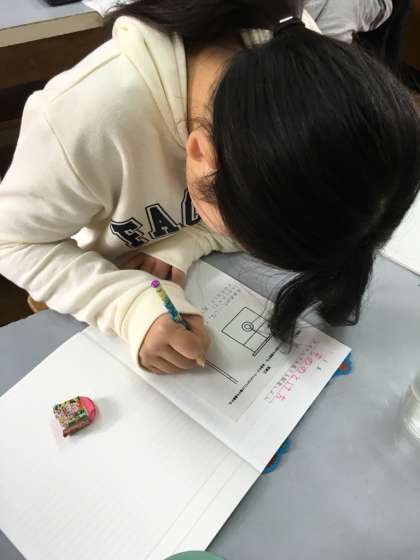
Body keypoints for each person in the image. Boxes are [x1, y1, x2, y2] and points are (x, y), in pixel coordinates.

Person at [0, 0, 419, 374]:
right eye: (241, 227)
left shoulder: (300, 55)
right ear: (198, 152)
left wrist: (186, 243)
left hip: (184, 272)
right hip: (86, 279)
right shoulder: (84, 120)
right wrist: (126, 306)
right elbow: (12, 242)